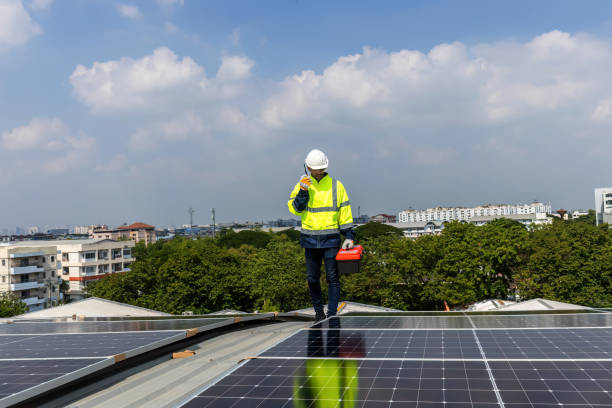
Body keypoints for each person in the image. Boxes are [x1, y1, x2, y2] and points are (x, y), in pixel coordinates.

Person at [288, 149, 355, 322]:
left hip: (331, 239)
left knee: (333, 278)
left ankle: (332, 315)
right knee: (312, 279)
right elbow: (296, 209)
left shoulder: (336, 185)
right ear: (308, 167)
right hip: (310, 240)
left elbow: (345, 212)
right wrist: (303, 191)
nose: (316, 172)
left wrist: (349, 236)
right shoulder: (302, 184)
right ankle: (319, 312)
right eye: (313, 168)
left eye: (318, 169)